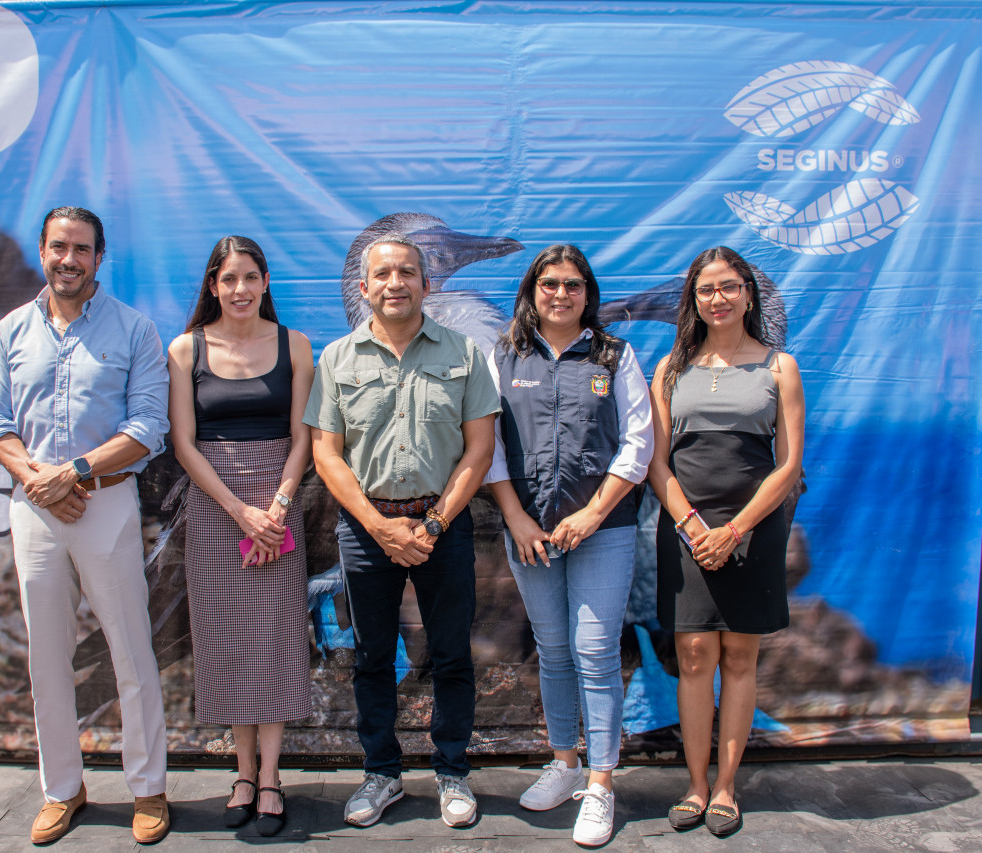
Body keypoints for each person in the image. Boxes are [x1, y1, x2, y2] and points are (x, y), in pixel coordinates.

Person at [0, 206, 170, 845]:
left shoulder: (135, 330)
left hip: (106, 504)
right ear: (43, 251)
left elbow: (148, 426)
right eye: (59, 247)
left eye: (82, 249)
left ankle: (148, 789)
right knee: (46, 657)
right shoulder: (11, 330)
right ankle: (63, 789)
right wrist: (40, 479)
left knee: (132, 653)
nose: (69, 259)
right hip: (34, 508)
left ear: (99, 257)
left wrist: (77, 472)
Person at [304, 234, 500, 829]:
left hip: (445, 523)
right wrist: (378, 526)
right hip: (367, 529)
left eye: (407, 272)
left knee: (450, 654)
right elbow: (326, 455)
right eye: (383, 274)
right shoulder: (337, 358)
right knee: (370, 657)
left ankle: (452, 771)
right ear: (364, 288)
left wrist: (435, 521)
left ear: (426, 283)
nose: (396, 283)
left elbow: (480, 449)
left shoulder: (464, 353)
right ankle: (381, 772)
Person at [485, 245, 653, 847]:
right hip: (528, 533)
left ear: (589, 293)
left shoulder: (615, 355)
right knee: (553, 650)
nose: (561, 294)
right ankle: (564, 763)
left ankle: (602, 786)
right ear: (532, 290)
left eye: (573, 285)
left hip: (601, 531)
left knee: (595, 650)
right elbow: (487, 446)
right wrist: (516, 518)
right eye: (550, 283)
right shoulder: (502, 356)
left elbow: (638, 442)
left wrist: (593, 512)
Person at [647, 246, 804, 837]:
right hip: (685, 530)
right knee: (693, 659)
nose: (718, 298)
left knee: (740, 658)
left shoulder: (779, 367)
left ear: (748, 294)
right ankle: (693, 785)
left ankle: (725, 789)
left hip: (753, 531)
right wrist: (692, 526)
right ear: (693, 297)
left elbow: (787, 466)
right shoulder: (669, 369)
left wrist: (735, 530)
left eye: (729, 287)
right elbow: (655, 464)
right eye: (707, 288)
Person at [166, 236, 314, 836]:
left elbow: (305, 436)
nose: (241, 290)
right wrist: (238, 512)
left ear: (266, 281)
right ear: (212, 286)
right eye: (229, 279)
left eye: (251, 277)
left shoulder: (296, 345)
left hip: (280, 505)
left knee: (275, 639)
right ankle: (243, 772)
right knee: (226, 639)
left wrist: (274, 509)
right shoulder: (184, 350)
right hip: (214, 510)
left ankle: (273, 777)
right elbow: (183, 443)